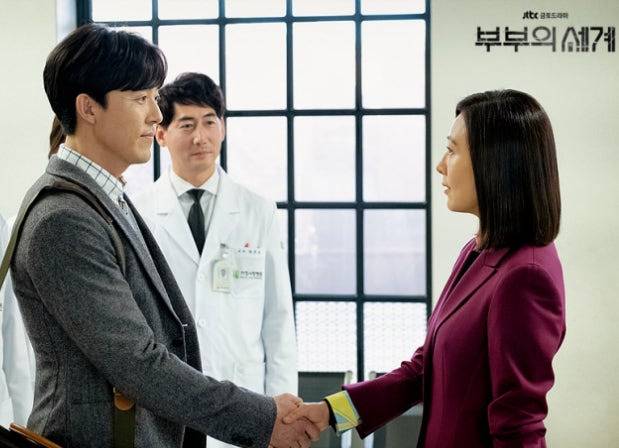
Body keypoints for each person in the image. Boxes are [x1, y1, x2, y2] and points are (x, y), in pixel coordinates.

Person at [6, 24, 318, 447]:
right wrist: (262, 419)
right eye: (141, 99)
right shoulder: (63, 219)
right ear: (88, 108)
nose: (155, 115)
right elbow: (137, 362)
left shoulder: (104, 198)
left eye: (154, 97)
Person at [284, 89, 566, 447]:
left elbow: (519, 426)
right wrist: (330, 412)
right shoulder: (478, 250)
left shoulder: (526, 276)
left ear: (495, 162)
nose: (441, 165)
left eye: (452, 150)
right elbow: (423, 371)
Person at [133, 72, 297, 448]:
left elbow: (278, 320)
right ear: (161, 133)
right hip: (169, 406)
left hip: (246, 401)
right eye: (187, 124)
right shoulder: (139, 214)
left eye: (210, 122)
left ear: (222, 128)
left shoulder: (258, 210)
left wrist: (282, 415)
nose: (200, 137)